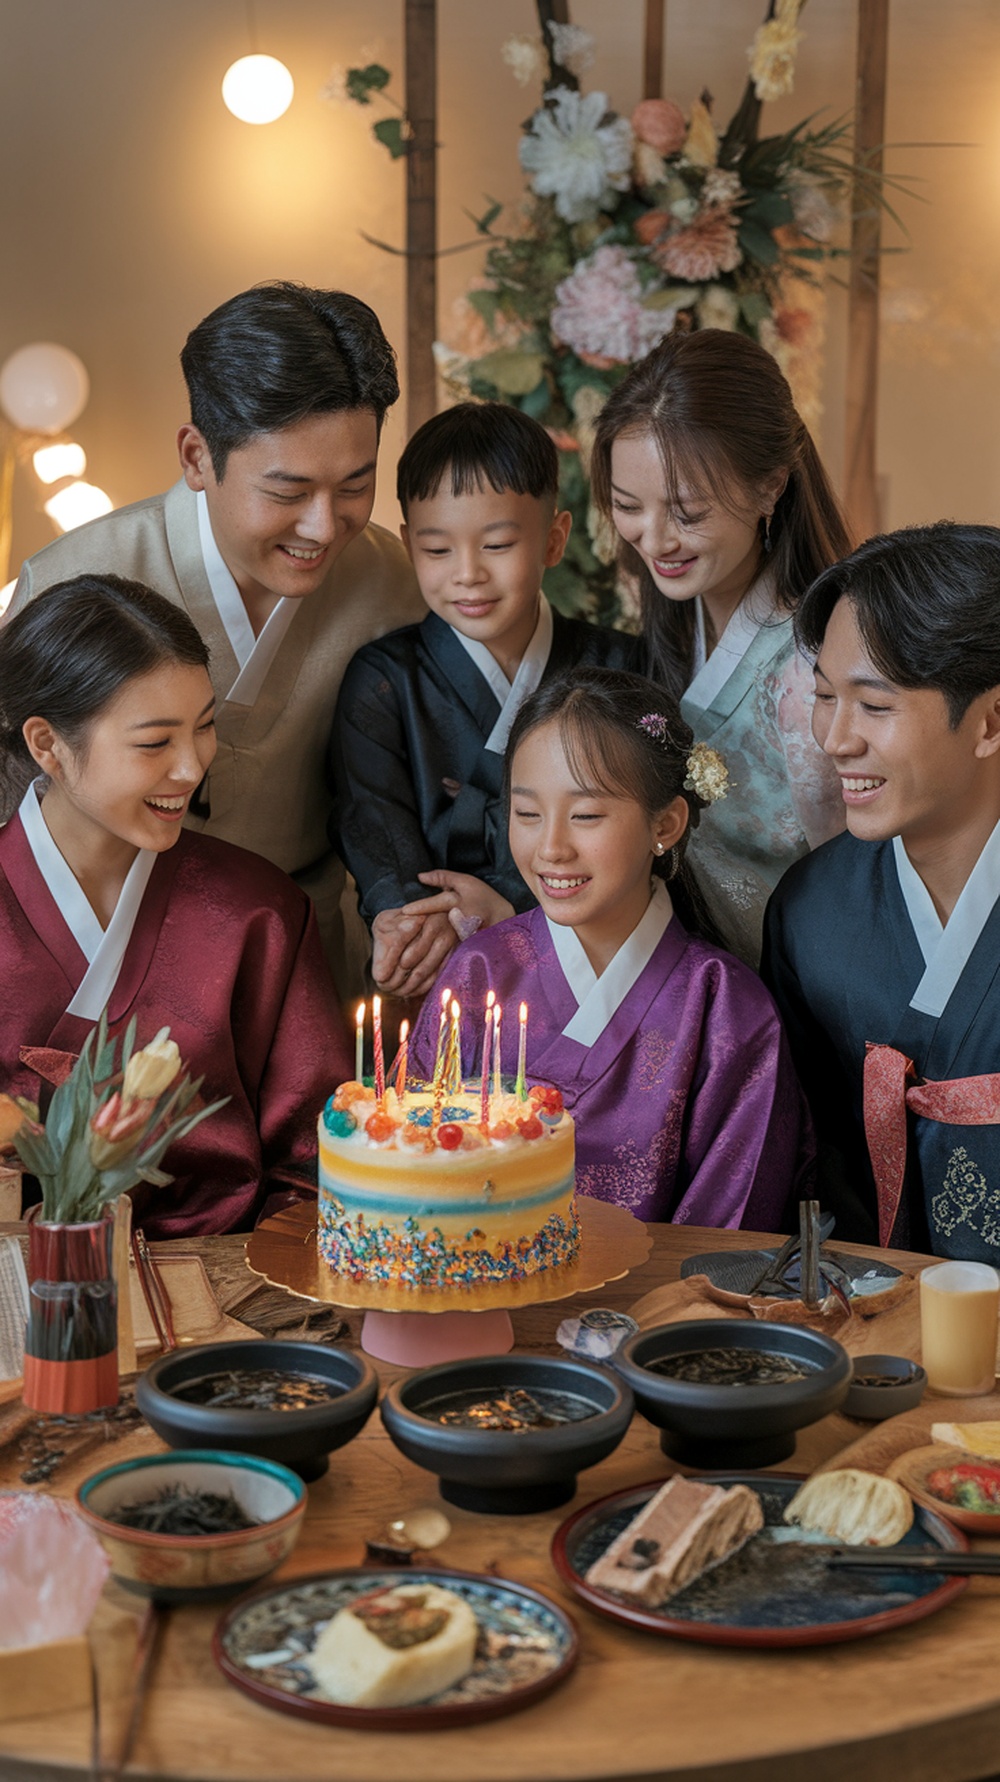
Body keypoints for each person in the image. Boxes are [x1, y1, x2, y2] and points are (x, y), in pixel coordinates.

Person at [5, 282, 424, 997]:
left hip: (309, 953)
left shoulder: (395, 583)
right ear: (197, 457)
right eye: (288, 492)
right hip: (106, 956)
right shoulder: (71, 580)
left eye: (356, 485)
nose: (324, 526)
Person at [0, 574, 352, 1238]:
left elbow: (318, 1164)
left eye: (205, 727)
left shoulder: (259, 913)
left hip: (232, 1285)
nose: (192, 767)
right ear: (46, 744)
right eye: (155, 742)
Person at [409, 668, 810, 1225]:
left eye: (586, 816)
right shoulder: (479, 970)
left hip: (662, 1284)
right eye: (527, 814)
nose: (551, 848)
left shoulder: (727, 1008)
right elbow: (409, 1160)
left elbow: (731, 1231)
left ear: (665, 824)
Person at [329, 402, 640, 999]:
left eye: (496, 545)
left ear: (553, 540)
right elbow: (372, 819)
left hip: (590, 965)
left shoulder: (618, 668)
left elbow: (639, 831)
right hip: (439, 973)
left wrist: (510, 908)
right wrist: (415, 919)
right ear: (407, 544)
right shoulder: (384, 679)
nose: (467, 573)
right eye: (437, 550)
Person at [763, 523, 1000, 1258]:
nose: (836, 739)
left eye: (874, 704)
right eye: (824, 696)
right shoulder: (809, 913)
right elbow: (809, 1167)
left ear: (990, 721)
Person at [590, 327, 850, 964]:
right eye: (627, 506)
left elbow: (855, 880)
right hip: (691, 972)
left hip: (795, 986)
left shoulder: (813, 666)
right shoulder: (679, 607)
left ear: (770, 486)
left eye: (687, 513)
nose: (654, 541)